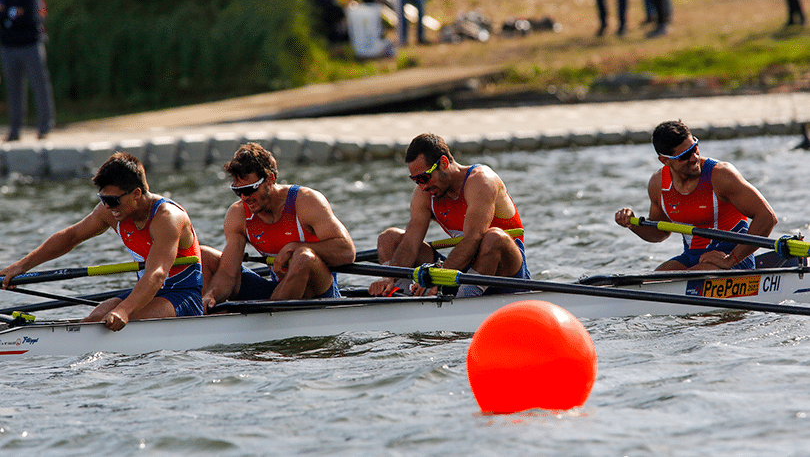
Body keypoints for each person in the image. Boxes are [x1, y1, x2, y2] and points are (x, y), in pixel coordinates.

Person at [0, 152, 204, 331]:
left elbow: (157, 273)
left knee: (114, 321)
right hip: (146, 292)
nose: (108, 206)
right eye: (103, 199)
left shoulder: (167, 218)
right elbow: (71, 237)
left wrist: (124, 310)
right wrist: (21, 266)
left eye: (112, 200)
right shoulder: (111, 212)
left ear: (136, 194)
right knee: (95, 320)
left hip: (182, 296)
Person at [368, 132, 530, 298]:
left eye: (425, 177)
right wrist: (389, 276)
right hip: (466, 269)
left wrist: (438, 277)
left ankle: (464, 298)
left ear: (444, 162)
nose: (422, 186)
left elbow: (473, 238)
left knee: (493, 237)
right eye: (416, 180)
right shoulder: (425, 193)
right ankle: (399, 292)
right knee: (389, 238)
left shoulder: (481, 181)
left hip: (506, 272)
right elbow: (410, 244)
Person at [201, 143, 356, 312]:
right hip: (277, 291)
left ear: (270, 179)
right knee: (204, 256)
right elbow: (228, 273)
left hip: (317, 293)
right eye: (238, 192)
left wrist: (294, 247)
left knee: (303, 257)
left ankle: (268, 319)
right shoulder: (238, 215)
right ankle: (207, 314)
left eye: (250, 189)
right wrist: (212, 294)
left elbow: (347, 251)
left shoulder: (306, 202)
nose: (244, 198)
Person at [615, 120, 777, 271]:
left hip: (734, 259)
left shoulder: (721, 176)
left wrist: (731, 259)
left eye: (695, 148)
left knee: (679, 281)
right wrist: (633, 225)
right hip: (691, 257)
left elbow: (767, 217)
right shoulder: (659, 185)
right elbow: (660, 233)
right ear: (665, 160)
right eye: (684, 156)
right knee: (650, 280)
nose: (694, 158)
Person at [0, 0, 55, 141]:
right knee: (13, 89)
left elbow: (31, 16)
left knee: (39, 85)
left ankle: (45, 127)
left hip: (30, 45)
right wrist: (14, 13)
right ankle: (15, 130)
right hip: (8, 47)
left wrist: (8, 15)